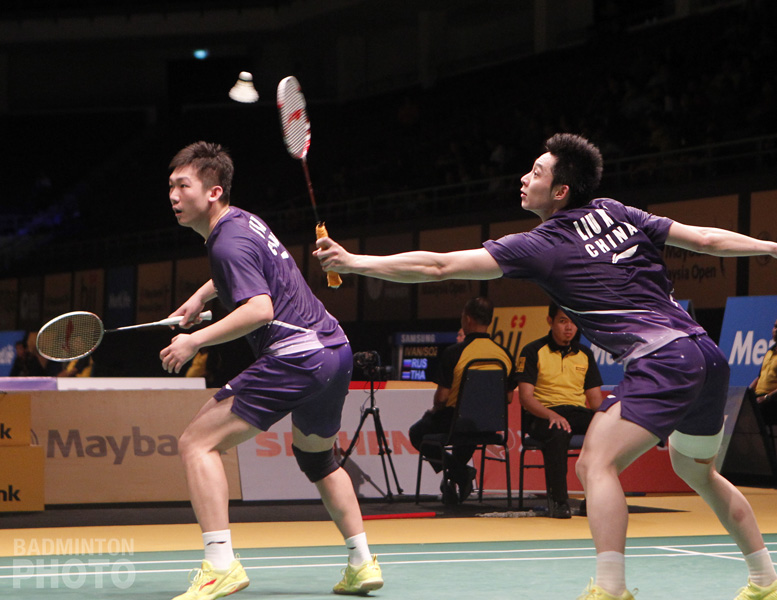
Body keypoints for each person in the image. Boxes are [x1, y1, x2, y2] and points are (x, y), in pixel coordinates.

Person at [315, 132, 777, 600]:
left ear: (560, 191)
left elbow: (439, 267)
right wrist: (772, 248)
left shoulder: (540, 244)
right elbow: (705, 239)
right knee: (699, 472)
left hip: (663, 358)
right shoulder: (616, 211)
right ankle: (765, 580)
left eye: (536, 172)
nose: (524, 178)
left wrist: (355, 262)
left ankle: (611, 588)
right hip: (707, 356)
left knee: (595, 464)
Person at [161, 141, 383, 600]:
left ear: (214, 192)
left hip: (297, 355)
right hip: (335, 350)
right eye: (171, 187)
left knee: (196, 443)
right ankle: (362, 563)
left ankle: (220, 565)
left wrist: (195, 340)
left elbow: (259, 309)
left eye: (183, 186)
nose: (174, 196)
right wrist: (201, 296)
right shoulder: (244, 222)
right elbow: (249, 272)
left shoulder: (226, 243)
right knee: (318, 459)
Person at [409, 297, 515, 505]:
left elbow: (442, 398)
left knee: (417, 432)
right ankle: (457, 476)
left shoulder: (454, 353)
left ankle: (459, 473)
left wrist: (434, 411)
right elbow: (509, 397)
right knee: (469, 428)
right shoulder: (505, 354)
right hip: (490, 425)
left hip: (456, 424)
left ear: (467, 319)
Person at [517, 303, 602, 519]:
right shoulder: (532, 351)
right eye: (563, 321)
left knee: (606, 432)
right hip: (542, 415)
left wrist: (606, 421)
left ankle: (594, 499)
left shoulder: (585, 354)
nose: (569, 327)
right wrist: (551, 415)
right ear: (550, 321)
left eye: (573, 322)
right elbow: (525, 398)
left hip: (575, 413)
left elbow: (595, 401)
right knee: (559, 431)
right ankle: (559, 501)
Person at [750, 318, 777, 426]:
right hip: (759, 399)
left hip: (772, 401)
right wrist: (747, 393)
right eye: (775, 326)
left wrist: (767, 397)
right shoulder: (769, 352)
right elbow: (759, 377)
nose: (776, 330)